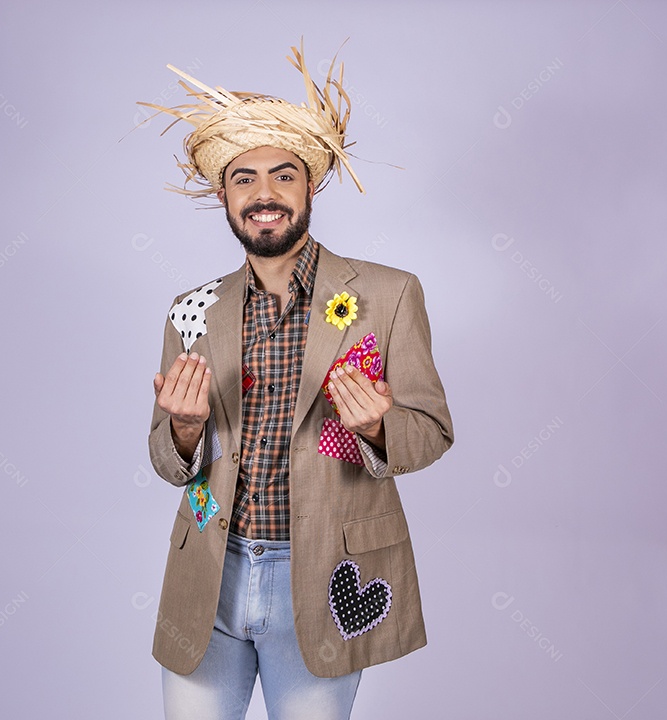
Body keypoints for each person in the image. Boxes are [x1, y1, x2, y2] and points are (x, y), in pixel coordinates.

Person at [142, 41, 454, 720]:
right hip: (208, 578)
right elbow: (169, 463)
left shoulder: (389, 294)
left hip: (322, 578)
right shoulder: (190, 311)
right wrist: (184, 429)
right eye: (244, 179)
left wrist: (375, 426)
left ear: (310, 187)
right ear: (223, 196)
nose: (264, 195)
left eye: (283, 177)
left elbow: (430, 433)